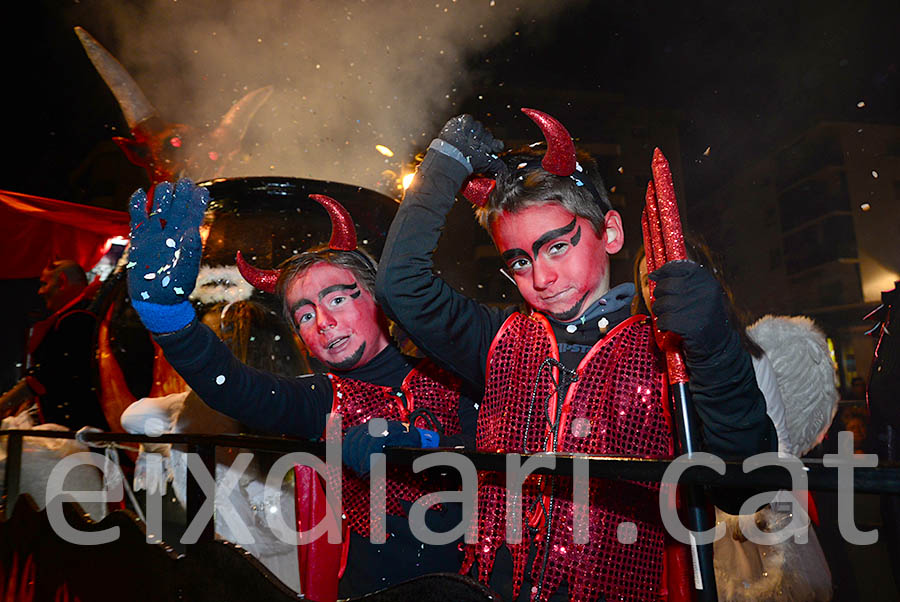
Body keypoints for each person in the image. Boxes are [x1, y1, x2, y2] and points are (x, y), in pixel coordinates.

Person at [375, 110, 776, 601]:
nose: (540, 278)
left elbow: (748, 485)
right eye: (520, 260)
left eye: (557, 247)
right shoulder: (498, 338)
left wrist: (715, 347)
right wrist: (447, 160)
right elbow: (400, 285)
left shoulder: (664, 348)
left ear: (609, 232)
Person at [124, 179, 478, 598]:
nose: (324, 322)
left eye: (337, 299)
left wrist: (427, 443)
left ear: (378, 298)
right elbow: (235, 389)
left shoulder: (458, 372)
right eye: (305, 315)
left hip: (480, 587)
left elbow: (513, 456)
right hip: (374, 593)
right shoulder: (321, 399)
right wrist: (170, 320)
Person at [634, 240, 836, 601]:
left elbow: (780, 448)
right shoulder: (637, 364)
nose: (658, 291)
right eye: (648, 281)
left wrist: (743, 506)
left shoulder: (746, 359)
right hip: (663, 528)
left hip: (741, 528)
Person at [0, 259, 109, 430]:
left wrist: (3, 404)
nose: (40, 291)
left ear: (62, 282)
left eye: (44, 284)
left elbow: (45, 374)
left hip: (73, 428)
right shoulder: (80, 315)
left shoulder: (77, 319)